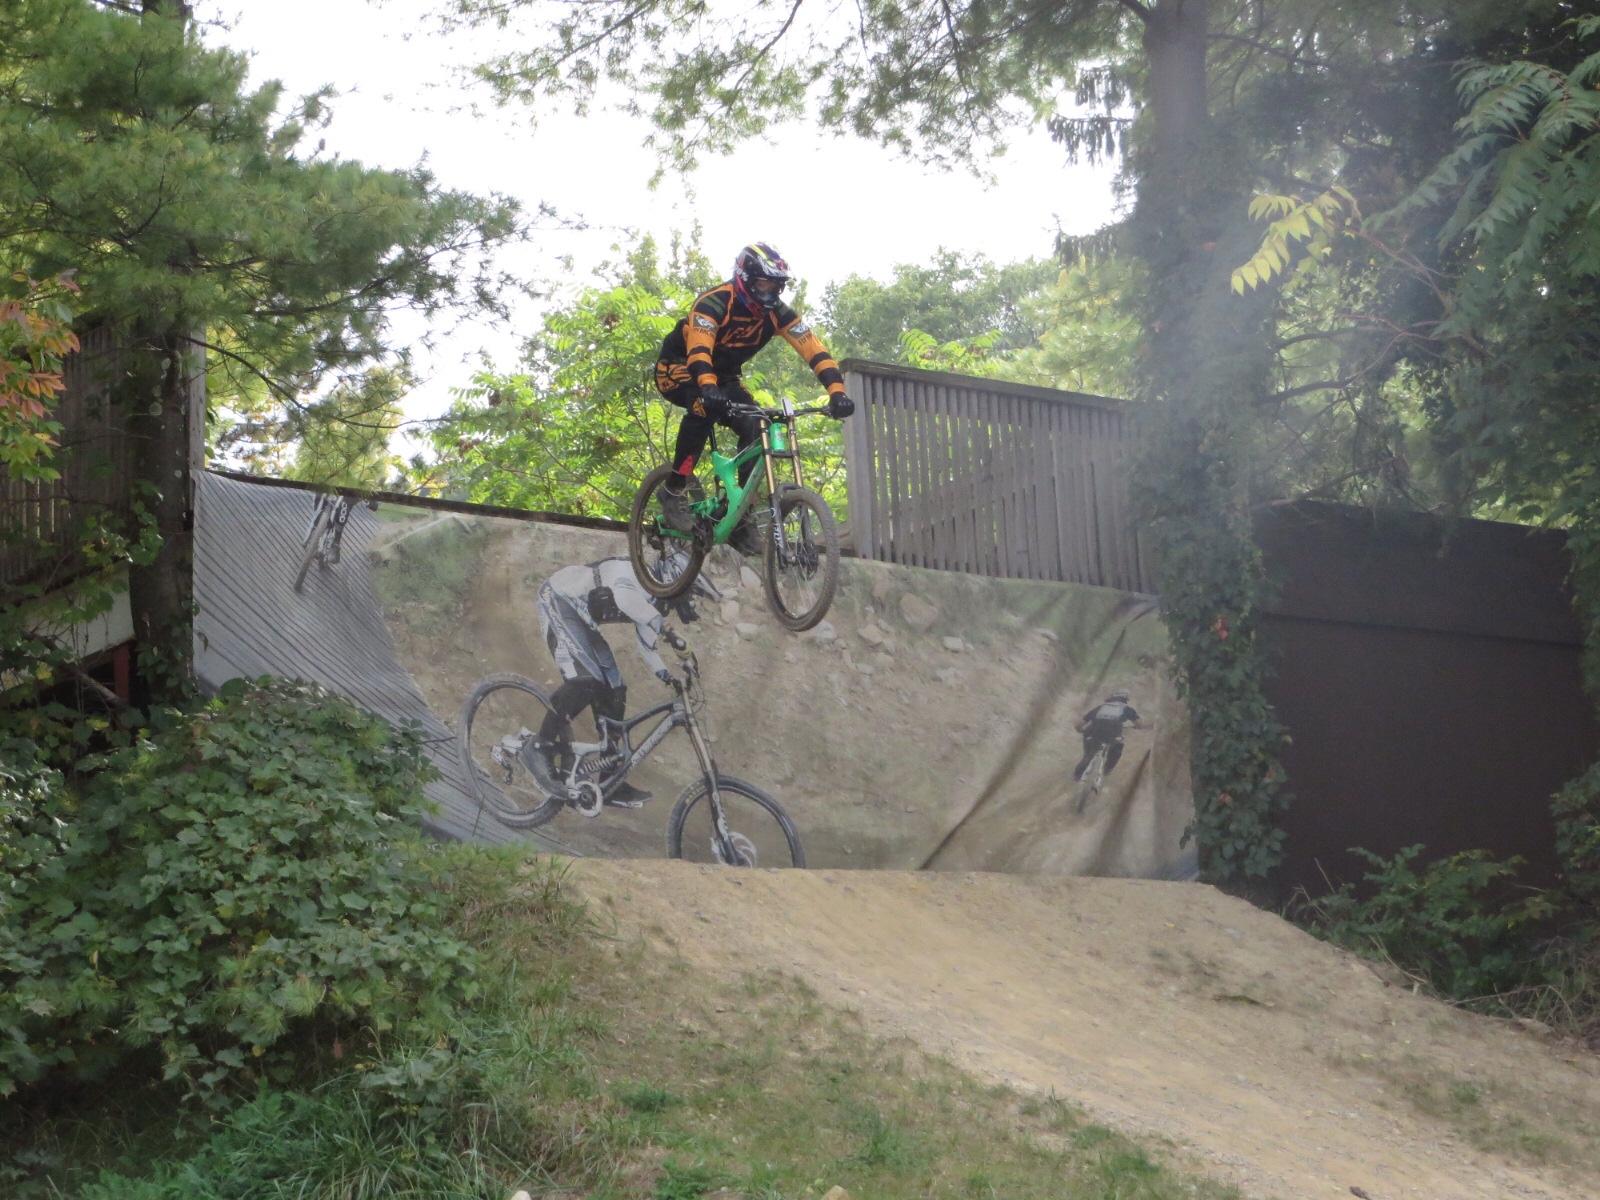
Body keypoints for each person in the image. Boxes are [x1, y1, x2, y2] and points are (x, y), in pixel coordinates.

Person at [653, 242, 855, 552]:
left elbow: (813, 349)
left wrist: (837, 392)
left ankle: (740, 517)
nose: (770, 292)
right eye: (764, 283)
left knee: (758, 424)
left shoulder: (778, 314)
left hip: (724, 378)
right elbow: (699, 350)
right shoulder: (715, 302)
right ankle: (674, 488)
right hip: (680, 368)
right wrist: (707, 386)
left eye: (776, 286)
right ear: (745, 279)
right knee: (703, 408)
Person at [532, 550, 718, 806]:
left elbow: (647, 647)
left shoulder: (651, 602)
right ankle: (539, 746)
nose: (690, 601)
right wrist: (667, 630)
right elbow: (625, 599)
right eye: (689, 593)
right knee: (586, 680)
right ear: (674, 579)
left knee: (615, 689)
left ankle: (610, 780)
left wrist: (669, 676)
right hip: (558, 599)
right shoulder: (637, 574)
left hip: (582, 621)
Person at [1072, 690, 1145, 782]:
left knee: (1088, 755)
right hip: (1112, 735)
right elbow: (1140, 724)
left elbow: (1079, 724)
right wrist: (1136, 727)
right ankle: (1107, 770)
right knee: (1117, 748)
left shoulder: (1100, 707)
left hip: (1093, 733)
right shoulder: (1127, 709)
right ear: (1125, 699)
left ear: (1111, 698)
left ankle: (1076, 777)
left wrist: (1080, 730)